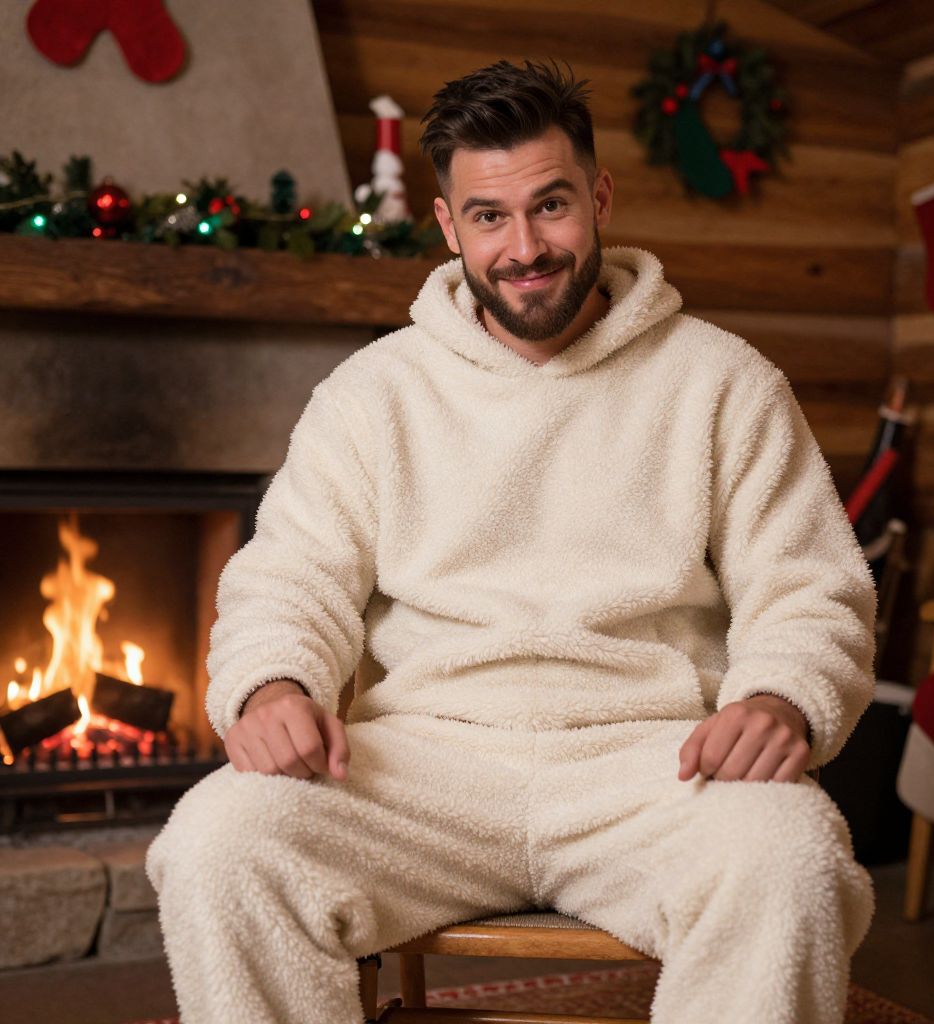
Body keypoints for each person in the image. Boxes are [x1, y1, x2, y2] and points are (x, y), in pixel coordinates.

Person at [146, 58, 877, 1024]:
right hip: (420, 769)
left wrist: (781, 697)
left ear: (599, 199)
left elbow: (812, 587)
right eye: (489, 216)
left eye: (551, 206)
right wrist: (274, 686)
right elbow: (287, 580)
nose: (525, 248)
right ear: (448, 226)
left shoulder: (725, 382)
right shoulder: (370, 395)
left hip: (654, 765)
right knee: (218, 842)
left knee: (789, 856)